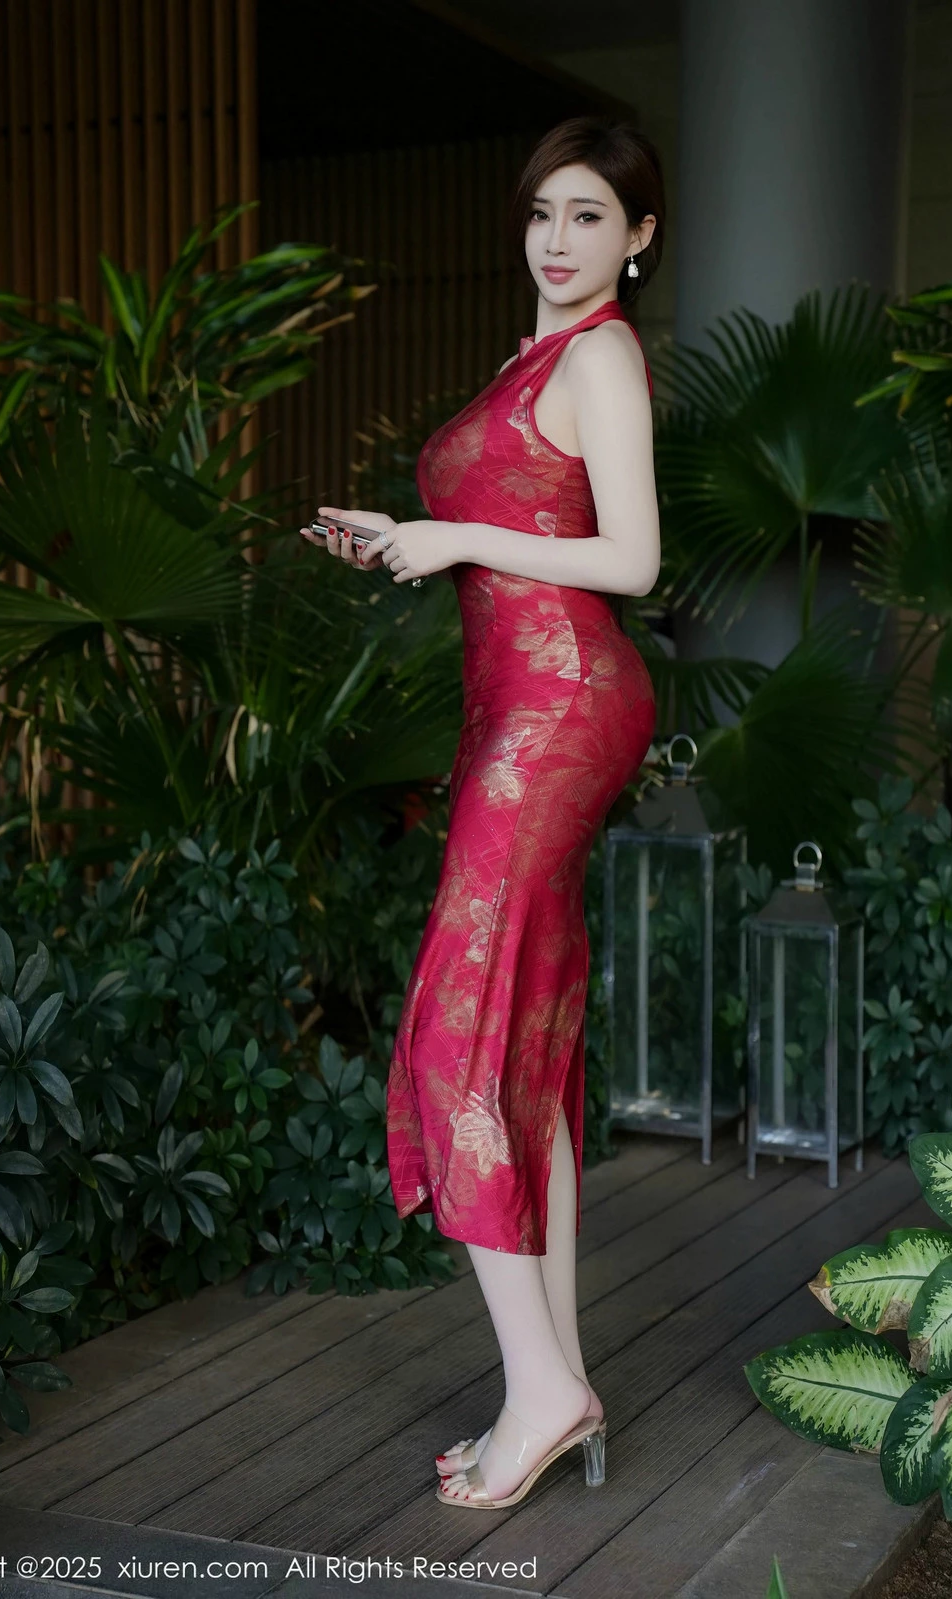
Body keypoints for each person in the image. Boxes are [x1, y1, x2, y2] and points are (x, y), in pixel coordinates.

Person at [298, 116, 663, 1512]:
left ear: (639, 237)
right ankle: (557, 1383)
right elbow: (521, 527)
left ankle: (541, 1386)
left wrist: (449, 535)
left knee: (460, 1018)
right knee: (526, 1032)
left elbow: (631, 557)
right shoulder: (530, 360)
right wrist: (403, 540)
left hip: (560, 704)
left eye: (590, 216)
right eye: (542, 213)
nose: (557, 240)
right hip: (518, 706)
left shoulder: (602, 356)